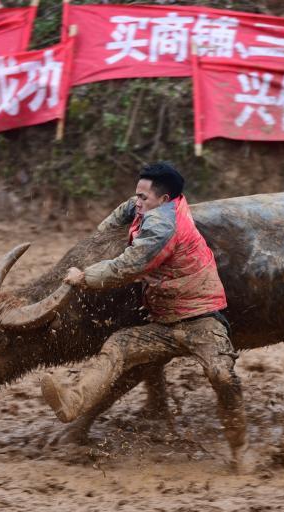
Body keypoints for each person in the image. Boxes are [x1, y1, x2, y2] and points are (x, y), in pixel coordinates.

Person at [40, 162, 247, 467]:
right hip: (163, 324)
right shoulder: (161, 202)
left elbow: (126, 267)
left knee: (222, 375)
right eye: (138, 194)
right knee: (118, 347)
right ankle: (73, 401)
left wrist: (83, 276)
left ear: (164, 200)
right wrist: (100, 236)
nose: (138, 201)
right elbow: (127, 209)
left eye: (144, 197)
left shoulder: (162, 227)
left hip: (201, 320)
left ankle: (239, 450)